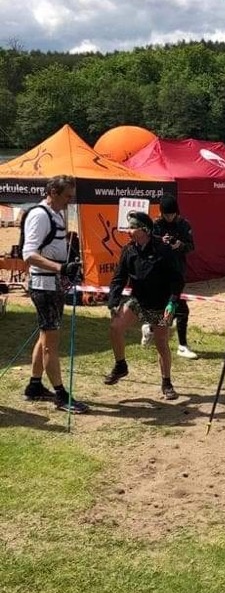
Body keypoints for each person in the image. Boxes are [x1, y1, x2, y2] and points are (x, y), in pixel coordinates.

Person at [21, 174, 88, 414]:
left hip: (54, 283)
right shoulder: (39, 215)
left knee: (44, 336)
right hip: (44, 284)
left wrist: (68, 265)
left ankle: (35, 385)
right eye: (67, 197)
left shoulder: (57, 213)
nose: (70, 202)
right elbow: (28, 254)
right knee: (51, 343)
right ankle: (61, 395)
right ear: (53, 193)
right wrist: (61, 268)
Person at [104, 210, 184, 401]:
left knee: (161, 342)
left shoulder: (163, 250)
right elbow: (118, 278)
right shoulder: (129, 250)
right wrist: (113, 301)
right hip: (138, 300)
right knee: (115, 326)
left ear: (144, 229)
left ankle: (167, 383)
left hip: (161, 303)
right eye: (128, 227)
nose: (128, 231)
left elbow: (177, 279)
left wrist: (172, 303)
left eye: (132, 227)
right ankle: (120, 366)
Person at [148, 195, 198, 359]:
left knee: (176, 307)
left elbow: (191, 246)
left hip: (177, 272)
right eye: (166, 214)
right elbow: (149, 246)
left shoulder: (184, 225)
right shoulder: (155, 225)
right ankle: (155, 332)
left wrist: (180, 245)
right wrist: (161, 242)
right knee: (174, 308)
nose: (169, 217)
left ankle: (152, 331)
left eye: (172, 214)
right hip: (160, 272)